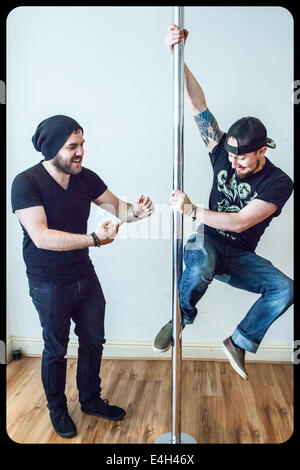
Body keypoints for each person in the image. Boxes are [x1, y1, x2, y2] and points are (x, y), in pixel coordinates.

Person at [153, 25, 294, 381]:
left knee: (284, 289)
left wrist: (192, 209)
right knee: (200, 266)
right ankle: (181, 317)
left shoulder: (279, 183)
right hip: (207, 243)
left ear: (262, 151)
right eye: (230, 157)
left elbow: (242, 222)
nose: (232, 164)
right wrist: (178, 57)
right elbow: (199, 105)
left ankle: (239, 341)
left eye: (242, 159)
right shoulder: (222, 152)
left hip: (240, 254)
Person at [11, 115, 154, 438]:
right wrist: (93, 239)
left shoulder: (85, 178)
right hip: (48, 281)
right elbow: (42, 237)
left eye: (82, 145)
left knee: (93, 340)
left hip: (83, 275)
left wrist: (137, 212)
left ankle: (90, 400)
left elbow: (120, 209)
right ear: (51, 149)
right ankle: (57, 410)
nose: (80, 152)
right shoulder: (26, 183)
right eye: (72, 146)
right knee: (56, 348)